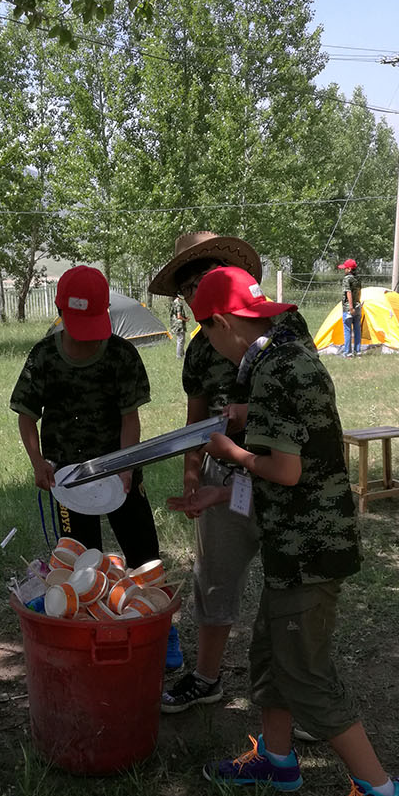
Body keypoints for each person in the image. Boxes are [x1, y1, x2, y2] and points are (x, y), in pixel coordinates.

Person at [171, 265, 399, 796]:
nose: (210, 345)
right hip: (293, 539)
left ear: (225, 321)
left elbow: (284, 468)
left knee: (304, 671)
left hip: (311, 546)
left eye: (208, 332)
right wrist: (218, 487)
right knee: (268, 652)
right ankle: (277, 761)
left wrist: (227, 448)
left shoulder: (275, 368)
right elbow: (291, 452)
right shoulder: (279, 353)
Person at [148, 231, 314, 714]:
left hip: (284, 470)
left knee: (293, 591)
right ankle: (207, 677)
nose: (194, 291)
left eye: (201, 279)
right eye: (186, 287)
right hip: (225, 473)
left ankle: (301, 697)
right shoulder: (202, 346)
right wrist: (192, 472)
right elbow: (196, 413)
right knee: (214, 577)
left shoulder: (286, 327)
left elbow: (303, 393)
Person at [10, 265, 159, 568]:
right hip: (68, 476)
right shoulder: (43, 357)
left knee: (145, 558)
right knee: (81, 566)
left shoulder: (122, 355)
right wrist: (37, 462)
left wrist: (127, 466)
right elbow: (26, 416)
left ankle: (148, 611)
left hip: (120, 468)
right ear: (59, 310)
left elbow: (130, 418)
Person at [339, 258, 363, 357]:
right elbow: (359, 291)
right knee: (357, 330)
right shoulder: (358, 278)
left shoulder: (347, 279)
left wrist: (351, 307)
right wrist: (358, 302)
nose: (344, 270)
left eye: (345, 268)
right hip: (358, 306)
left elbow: (348, 292)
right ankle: (358, 351)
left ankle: (348, 353)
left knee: (347, 330)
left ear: (349, 269)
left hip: (349, 308)